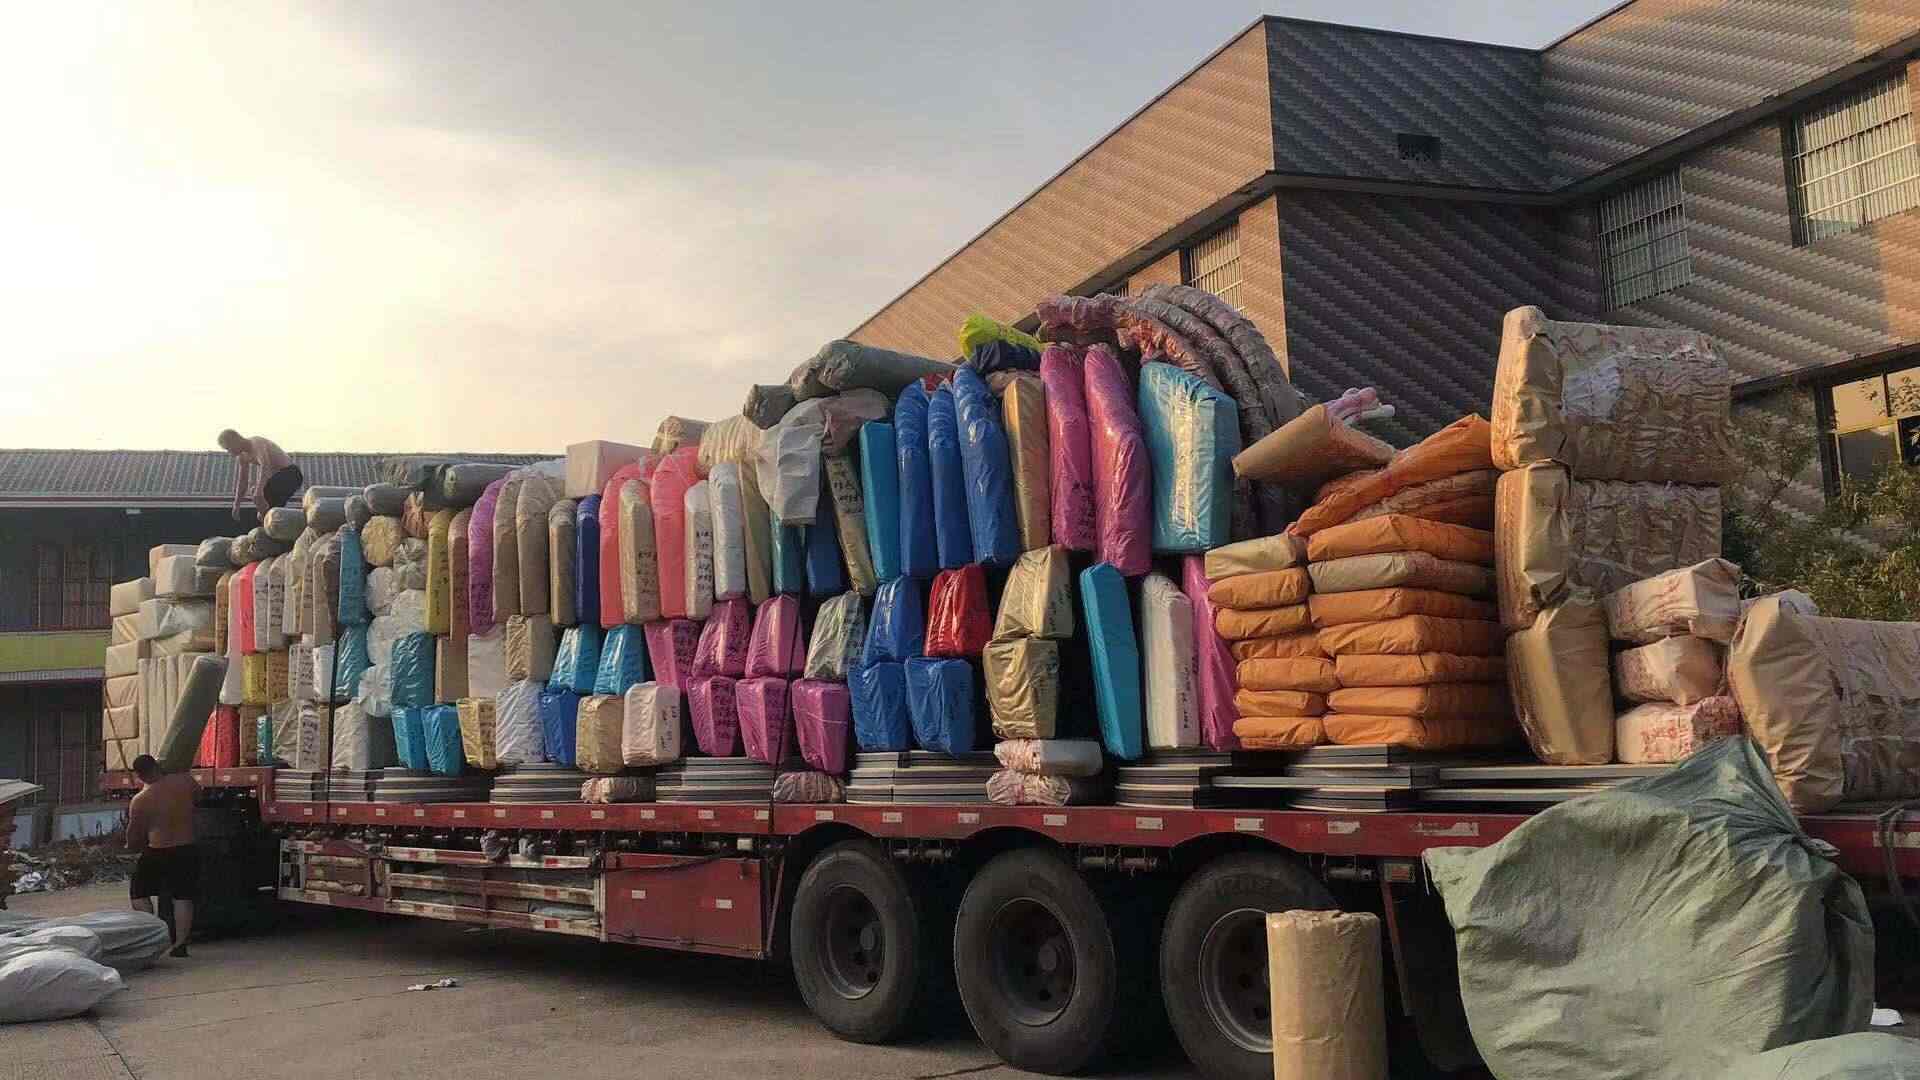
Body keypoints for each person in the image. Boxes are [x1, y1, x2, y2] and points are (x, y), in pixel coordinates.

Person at [126, 754, 198, 958]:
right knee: (182, 897)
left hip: (159, 849)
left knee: (139, 893)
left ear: (140, 776)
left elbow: (134, 834)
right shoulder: (184, 781)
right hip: (187, 847)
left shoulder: (141, 799)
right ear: (157, 766)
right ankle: (181, 944)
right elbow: (198, 797)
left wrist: (130, 846)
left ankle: (153, 936)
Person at [217, 429, 300, 523]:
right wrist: (236, 504)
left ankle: (273, 522)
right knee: (261, 514)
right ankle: (271, 524)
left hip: (291, 474)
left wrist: (259, 491)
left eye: (228, 448)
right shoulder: (242, 457)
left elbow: (265, 466)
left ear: (235, 441)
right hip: (278, 478)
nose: (230, 453)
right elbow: (243, 481)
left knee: (258, 495)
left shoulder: (256, 443)